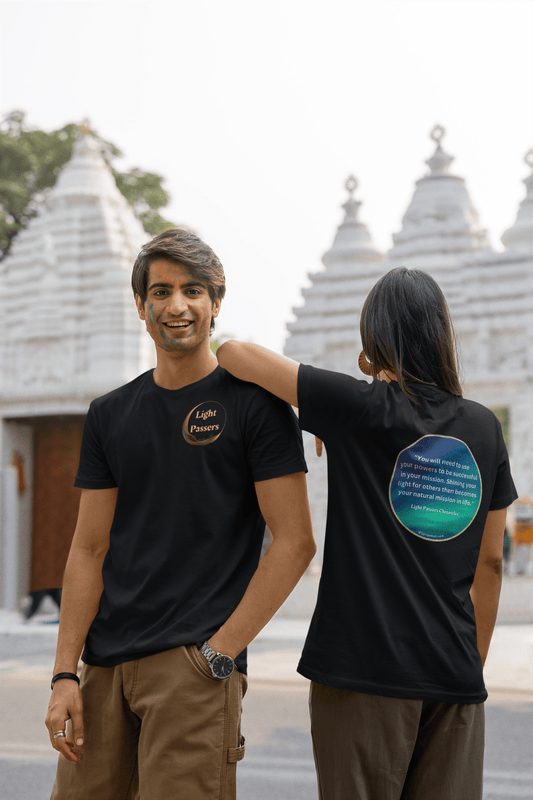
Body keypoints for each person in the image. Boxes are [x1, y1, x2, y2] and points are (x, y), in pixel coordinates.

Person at [216, 267, 517, 800]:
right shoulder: (483, 427)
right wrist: (470, 665)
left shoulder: (360, 408)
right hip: (454, 674)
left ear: (374, 342)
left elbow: (233, 353)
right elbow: (490, 563)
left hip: (361, 671)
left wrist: (355, 387)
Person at [45, 228, 315, 800]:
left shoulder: (255, 407)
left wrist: (218, 656)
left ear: (216, 304)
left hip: (191, 669)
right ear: (141, 307)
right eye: (161, 291)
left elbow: (294, 542)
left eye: (193, 290)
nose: (177, 305)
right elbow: (88, 550)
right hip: (103, 669)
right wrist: (65, 673)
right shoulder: (110, 415)